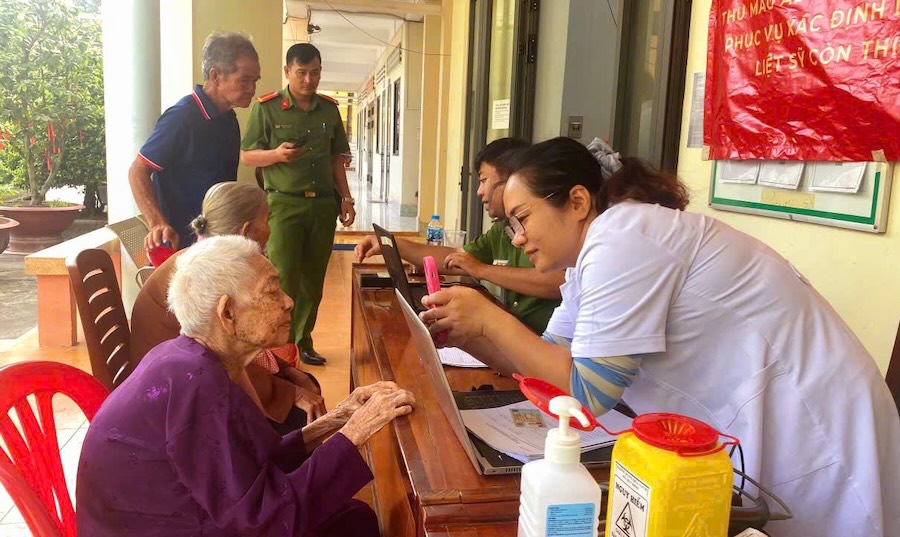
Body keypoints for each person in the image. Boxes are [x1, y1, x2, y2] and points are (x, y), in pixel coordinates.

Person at [419, 137, 900, 536]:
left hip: (816, 417)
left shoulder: (625, 237)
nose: (517, 238)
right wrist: (466, 334)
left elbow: (589, 393)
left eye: (521, 218)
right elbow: (550, 362)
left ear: (578, 202)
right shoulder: (591, 260)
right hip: (758, 416)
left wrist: (490, 318)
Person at [77, 235, 416, 536]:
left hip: (189, 513)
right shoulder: (194, 381)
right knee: (352, 524)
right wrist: (354, 433)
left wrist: (336, 420)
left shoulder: (193, 359)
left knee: (351, 517)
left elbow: (246, 464)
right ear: (228, 314)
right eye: (271, 291)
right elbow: (262, 520)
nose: (287, 301)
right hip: (166, 525)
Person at [131, 181, 324, 432]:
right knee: (301, 416)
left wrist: (286, 371)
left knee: (306, 383)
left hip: (191, 374)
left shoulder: (209, 259)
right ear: (246, 230)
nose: (270, 229)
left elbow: (232, 346)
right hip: (174, 393)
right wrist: (290, 394)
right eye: (267, 220)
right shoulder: (210, 274)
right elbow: (226, 354)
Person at [354, 138, 563, 334]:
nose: (480, 192)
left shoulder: (551, 229)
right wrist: (392, 244)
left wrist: (482, 270)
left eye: (483, 180)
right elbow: (456, 258)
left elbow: (560, 283)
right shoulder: (502, 230)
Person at [241, 43, 354, 366]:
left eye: (315, 72)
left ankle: (303, 341)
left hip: (322, 205)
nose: (309, 79)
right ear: (288, 71)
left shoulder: (329, 110)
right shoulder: (267, 108)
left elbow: (336, 160)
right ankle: (279, 346)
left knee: (312, 280)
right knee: (283, 276)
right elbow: (248, 154)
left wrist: (345, 198)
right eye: (302, 72)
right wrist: (277, 155)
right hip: (283, 204)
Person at [129, 32, 261, 251]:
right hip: (182, 246)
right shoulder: (182, 118)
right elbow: (137, 171)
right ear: (216, 76)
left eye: (255, 81)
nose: (252, 89)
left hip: (214, 245)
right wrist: (157, 223)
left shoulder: (229, 119)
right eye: (245, 80)